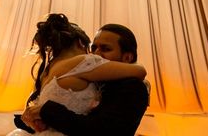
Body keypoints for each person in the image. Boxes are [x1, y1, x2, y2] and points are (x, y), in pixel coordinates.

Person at [8, 15, 147, 136]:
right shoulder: (87, 76)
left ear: (128, 58)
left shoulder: (133, 88)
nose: (95, 54)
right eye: (93, 48)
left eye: (105, 49)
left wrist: (46, 111)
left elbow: (102, 132)